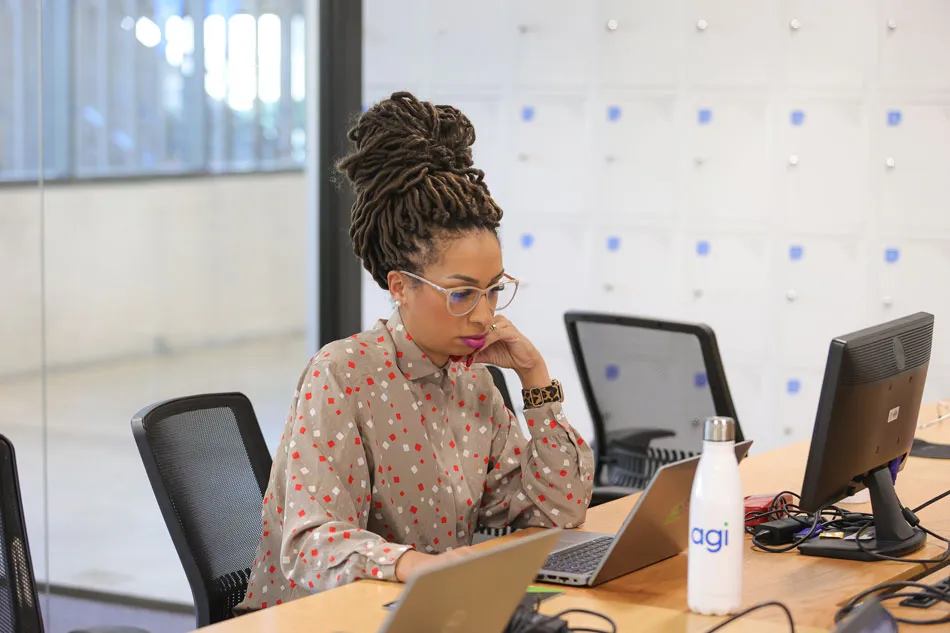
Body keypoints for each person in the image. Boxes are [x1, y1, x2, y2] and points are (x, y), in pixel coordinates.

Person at [235, 92, 594, 612]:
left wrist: (534, 380)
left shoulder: (475, 381)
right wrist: (417, 565)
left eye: (494, 289)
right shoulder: (341, 376)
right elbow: (311, 546)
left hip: (426, 613)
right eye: (462, 292)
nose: (483, 313)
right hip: (319, 620)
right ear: (400, 287)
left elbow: (558, 512)